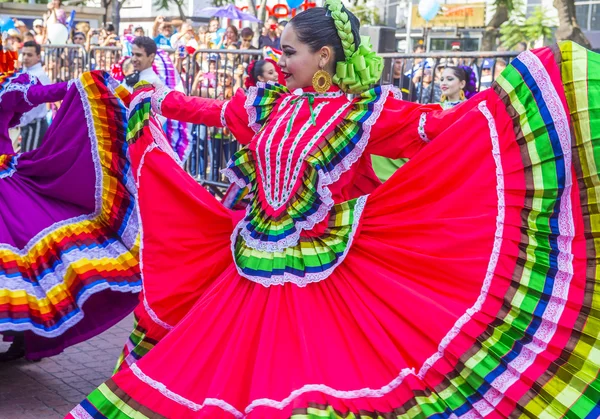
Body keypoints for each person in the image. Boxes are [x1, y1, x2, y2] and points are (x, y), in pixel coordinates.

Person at [61, 0, 600, 415]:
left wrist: (517, 97)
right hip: (249, 273)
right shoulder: (267, 105)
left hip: (327, 278)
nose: (279, 60)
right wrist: (149, 100)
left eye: (289, 51)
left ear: (323, 56)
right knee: (224, 374)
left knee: (315, 385)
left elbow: (439, 129)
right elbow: (209, 110)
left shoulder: (365, 114)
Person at [0, 58, 141, 361]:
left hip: (5, 183)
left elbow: (41, 95)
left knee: (23, 265)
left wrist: (82, 84)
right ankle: (25, 339)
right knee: (21, 266)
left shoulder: (6, 88)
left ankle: (27, 339)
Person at [18, 41, 51, 152]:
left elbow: (35, 105)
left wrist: (20, 121)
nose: (26, 58)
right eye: (24, 54)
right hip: (27, 124)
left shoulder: (40, 76)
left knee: (28, 161)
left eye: (29, 55)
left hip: (34, 124)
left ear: (38, 56)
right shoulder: (24, 72)